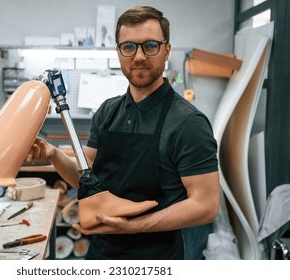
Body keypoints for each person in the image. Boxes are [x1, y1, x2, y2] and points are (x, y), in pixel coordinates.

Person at [27, 6, 220, 260]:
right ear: (119, 53)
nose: (138, 56)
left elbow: (205, 206)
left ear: (167, 50)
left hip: (155, 259)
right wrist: (53, 154)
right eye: (129, 47)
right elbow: (87, 181)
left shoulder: (188, 123)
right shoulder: (107, 111)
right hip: (101, 254)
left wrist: (134, 227)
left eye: (150, 45)